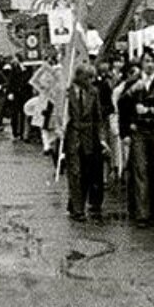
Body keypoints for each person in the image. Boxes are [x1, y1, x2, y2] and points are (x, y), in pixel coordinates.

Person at [118, 51, 154, 227]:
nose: (150, 65)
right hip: (139, 132)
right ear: (141, 64)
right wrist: (125, 133)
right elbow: (122, 108)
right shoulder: (132, 83)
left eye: (153, 62)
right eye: (147, 61)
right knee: (140, 171)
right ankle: (143, 214)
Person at [63, 64, 111, 222]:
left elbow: (98, 119)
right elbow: (60, 116)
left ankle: (74, 203)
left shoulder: (93, 92)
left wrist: (102, 139)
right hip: (72, 136)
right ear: (79, 77)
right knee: (75, 173)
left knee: (85, 173)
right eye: (88, 77)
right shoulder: (66, 93)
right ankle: (78, 210)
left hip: (89, 138)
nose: (91, 81)